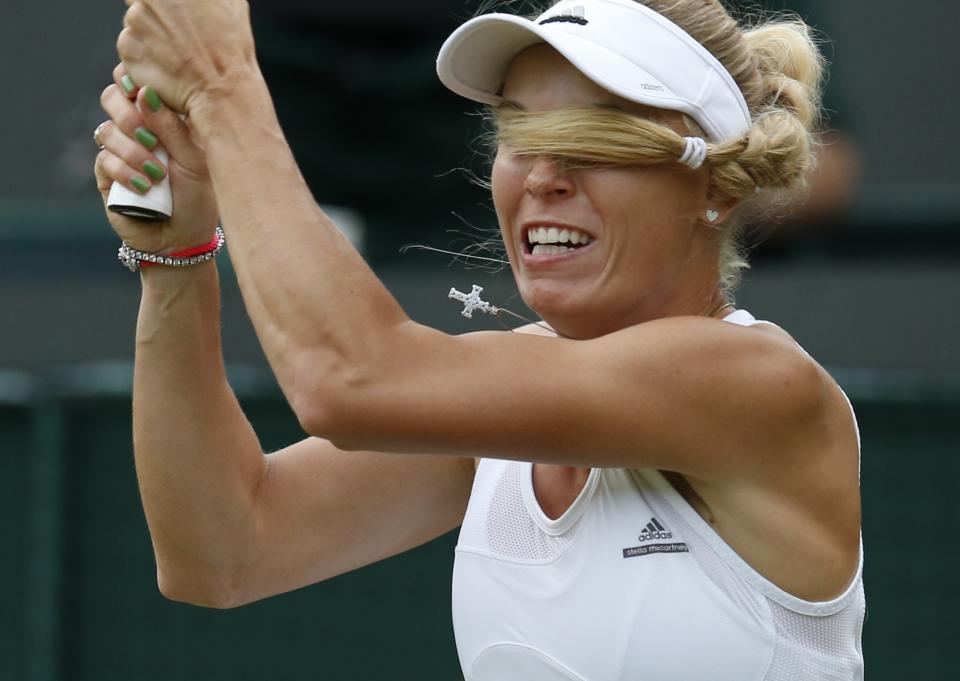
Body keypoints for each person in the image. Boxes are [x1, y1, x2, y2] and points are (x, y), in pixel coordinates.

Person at [92, 0, 865, 678]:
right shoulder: (508, 402)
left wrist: (223, 81)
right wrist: (177, 257)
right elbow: (221, 550)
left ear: (718, 187)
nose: (543, 175)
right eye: (519, 133)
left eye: (595, 138)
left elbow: (350, 380)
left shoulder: (757, 381)